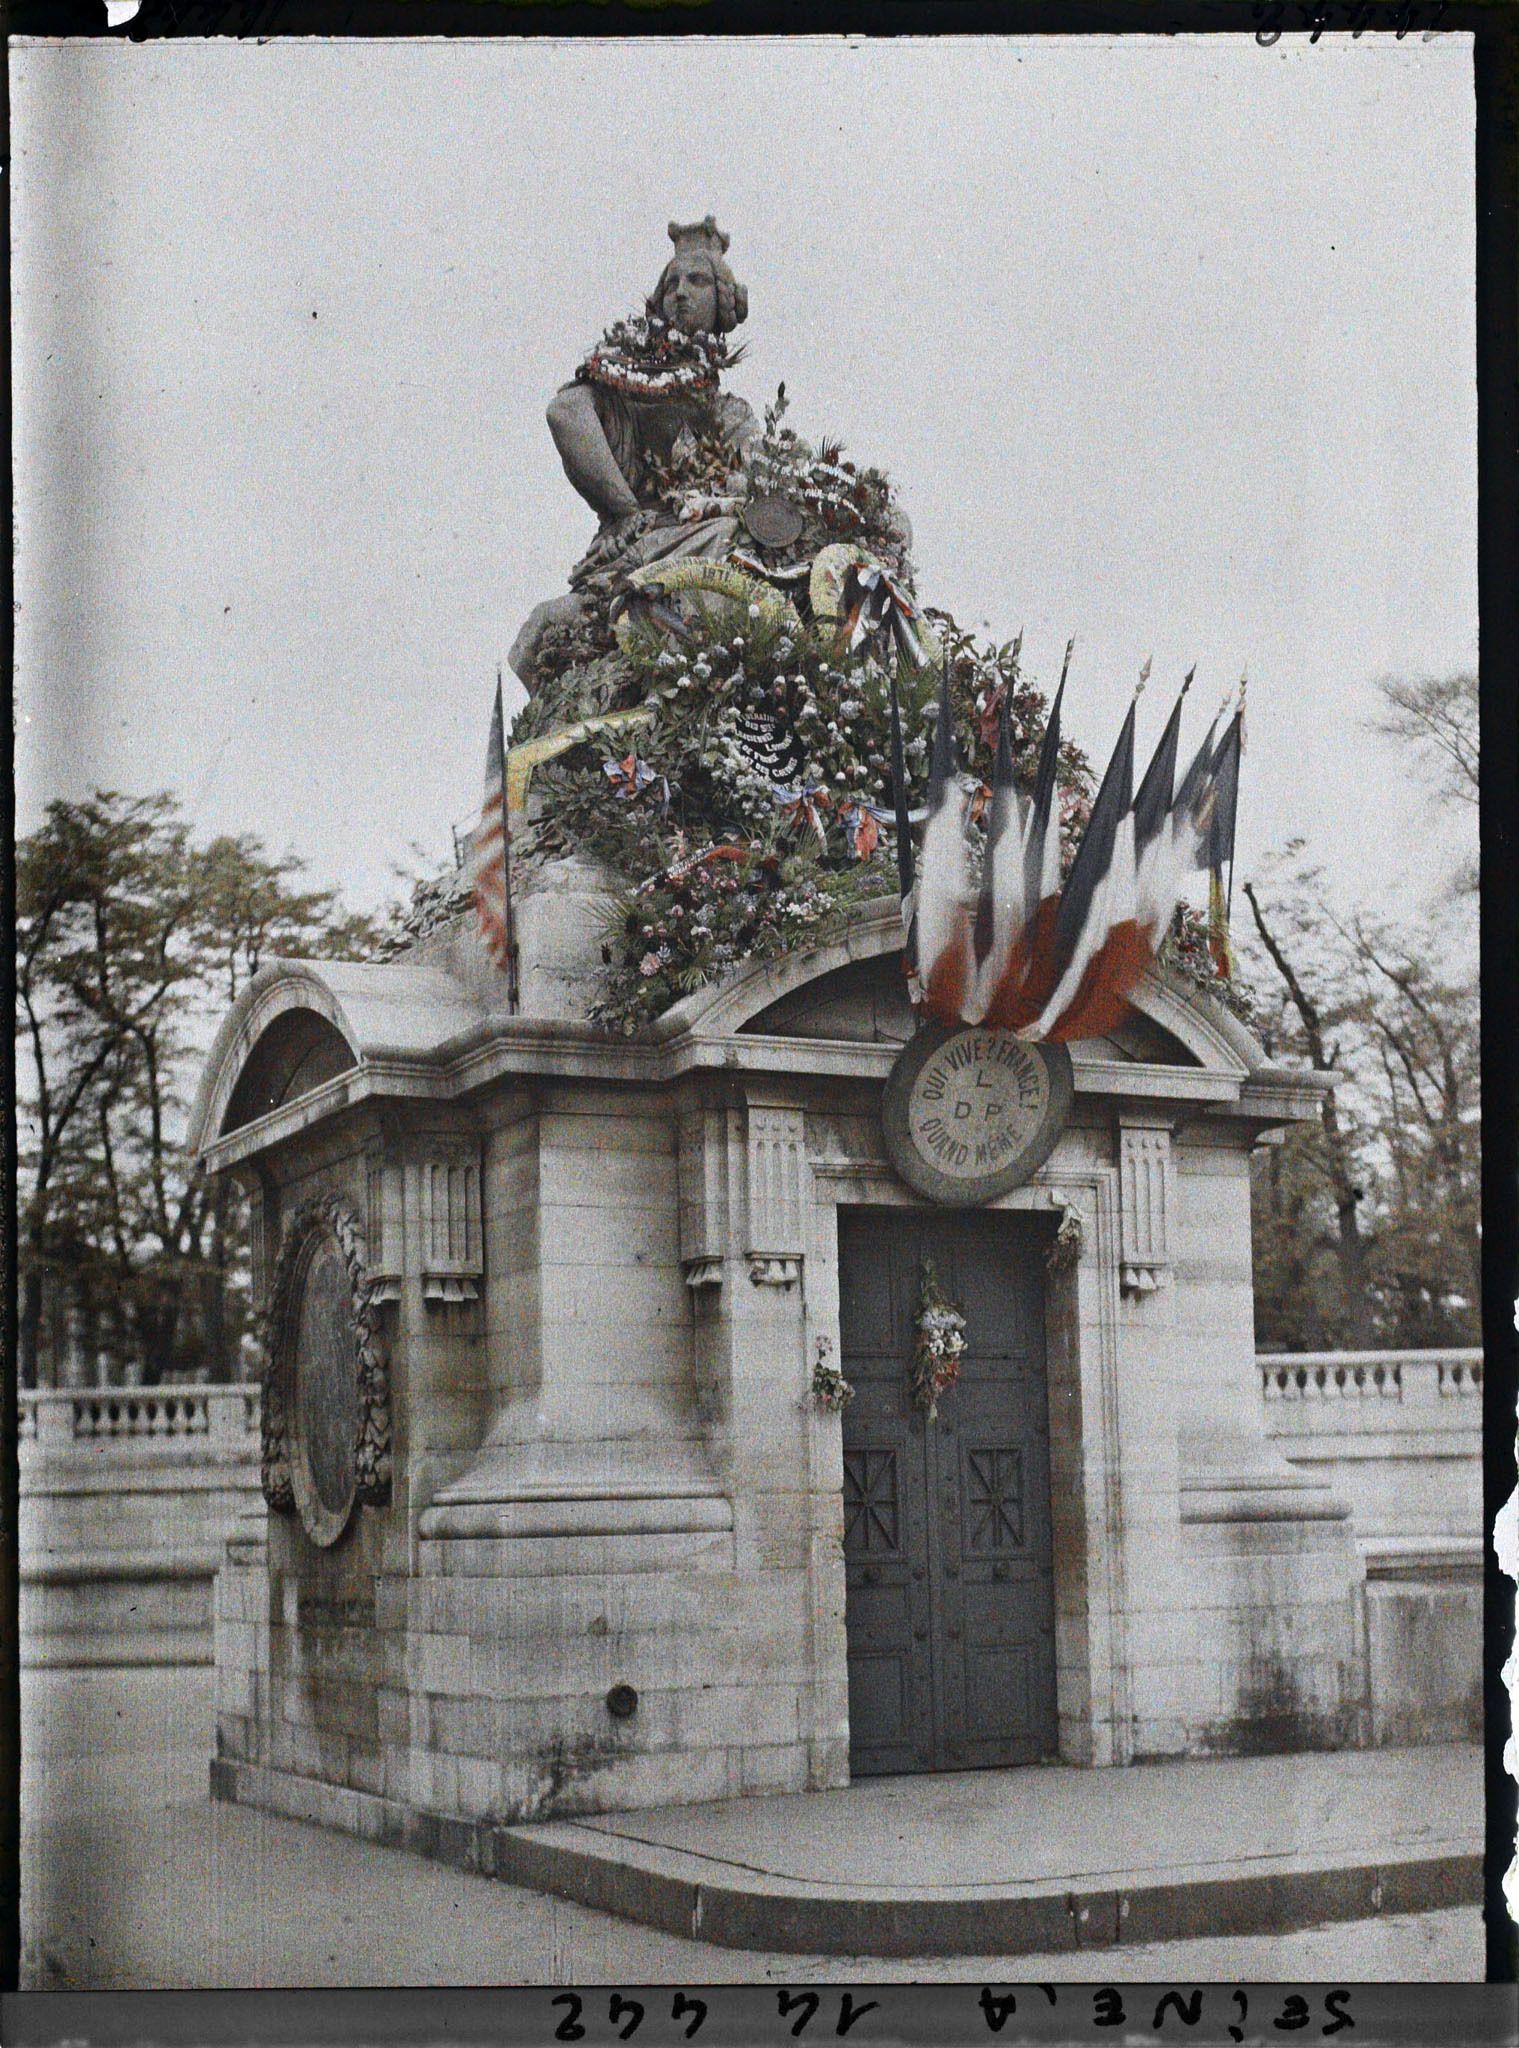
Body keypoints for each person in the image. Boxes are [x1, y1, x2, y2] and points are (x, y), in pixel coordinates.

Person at [509, 217, 759, 691]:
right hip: (635, 542)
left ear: (722, 301)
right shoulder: (627, 386)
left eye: (697, 281)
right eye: (672, 284)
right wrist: (625, 511)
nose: (681, 293)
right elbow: (566, 412)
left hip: (700, 538)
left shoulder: (732, 414)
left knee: (729, 538)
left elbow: (757, 484)